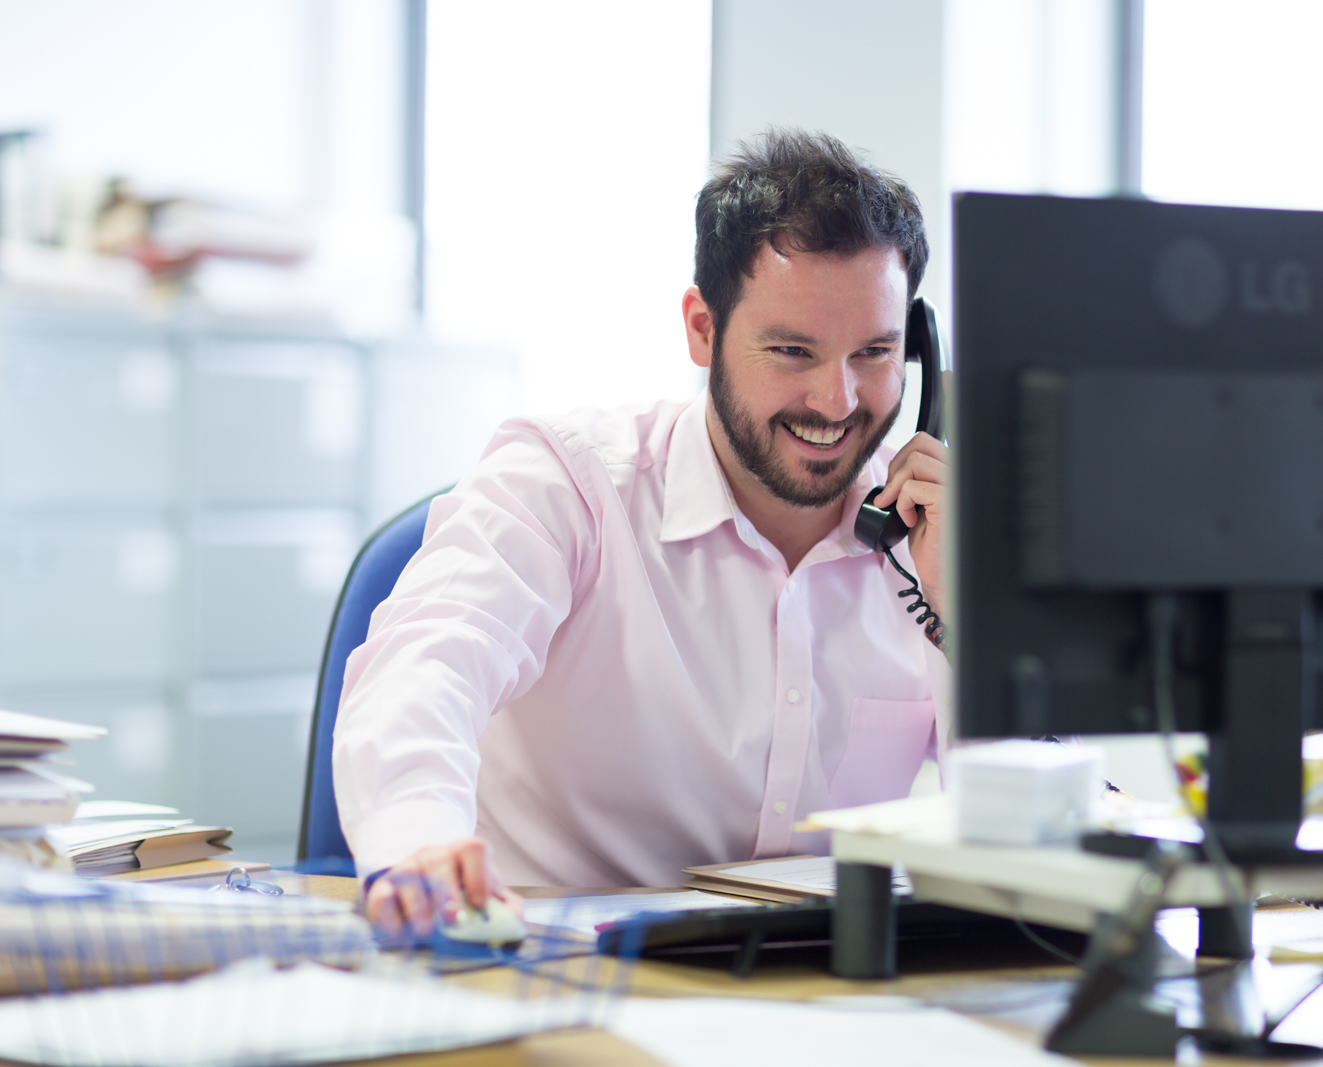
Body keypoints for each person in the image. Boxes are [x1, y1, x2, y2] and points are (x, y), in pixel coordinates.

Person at [333, 129, 951, 933]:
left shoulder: (928, 540)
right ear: (702, 328)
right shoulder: (566, 483)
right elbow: (428, 663)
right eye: (792, 351)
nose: (837, 401)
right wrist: (419, 841)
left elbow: (1048, 820)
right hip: (566, 965)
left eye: (873, 353)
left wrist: (968, 618)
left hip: (826, 977)